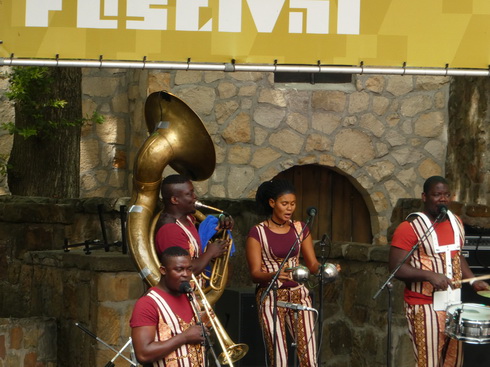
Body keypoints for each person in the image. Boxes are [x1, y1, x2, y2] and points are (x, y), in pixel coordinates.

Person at [389, 175, 490, 367]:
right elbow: (396, 268)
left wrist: (472, 280)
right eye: (437, 195)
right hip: (424, 306)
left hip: (453, 305)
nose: (442, 199)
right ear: (425, 197)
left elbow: (456, 256)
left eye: (446, 195)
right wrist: (429, 275)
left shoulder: (456, 222)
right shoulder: (409, 227)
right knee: (430, 362)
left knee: (453, 362)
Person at [245, 179, 320, 367]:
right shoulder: (258, 233)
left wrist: (328, 269)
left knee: (309, 358)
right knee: (279, 359)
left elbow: (312, 264)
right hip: (271, 296)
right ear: (272, 203)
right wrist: (274, 275)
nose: (289, 208)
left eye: (293, 204)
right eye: (284, 204)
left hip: (299, 295)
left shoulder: (300, 228)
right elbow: (255, 273)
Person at [130, 246, 207, 366]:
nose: (186, 274)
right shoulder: (147, 303)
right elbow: (143, 354)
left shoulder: (189, 295)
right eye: (179, 269)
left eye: (189, 269)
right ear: (163, 270)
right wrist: (185, 337)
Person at [154, 174, 233, 277]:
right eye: (189, 194)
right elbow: (183, 271)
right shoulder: (170, 230)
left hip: (195, 290)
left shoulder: (188, 218)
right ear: (174, 200)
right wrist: (209, 253)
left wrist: (220, 218)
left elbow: (206, 224)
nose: (195, 196)